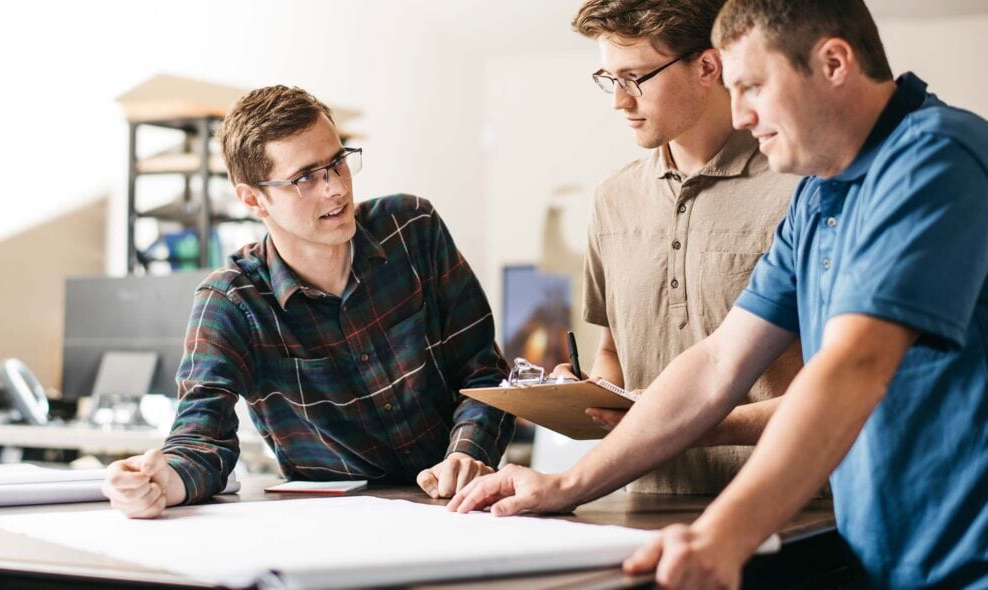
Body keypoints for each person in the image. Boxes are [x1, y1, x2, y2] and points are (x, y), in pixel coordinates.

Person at [450, 0, 988, 587]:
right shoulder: (820, 196)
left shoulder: (935, 157)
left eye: (753, 87)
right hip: (888, 560)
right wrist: (567, 484)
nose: (740, 114)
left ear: (834, 62)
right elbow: (717, 363)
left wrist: (726, 531)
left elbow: (854, 367)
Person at [103, 86, 515, 518]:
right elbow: (200, 440)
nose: (336, 189)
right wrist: (162, 481)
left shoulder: (414, 230)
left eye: (337, 162)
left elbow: (483, 370)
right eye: (305, 178)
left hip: (458, 510)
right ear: (253, 199)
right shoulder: (232, 301)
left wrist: (467, 454)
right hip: (331, 525)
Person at [563, 0, 802, 494]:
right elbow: (614, 353)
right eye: (610, 79)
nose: (618, 101)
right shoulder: (613, 198)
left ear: (708, 67)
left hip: (783, 510)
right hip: (640, 507)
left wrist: (694, 424)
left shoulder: (798, 190)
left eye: (634, 77)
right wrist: (585, 396)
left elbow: (834, 388)